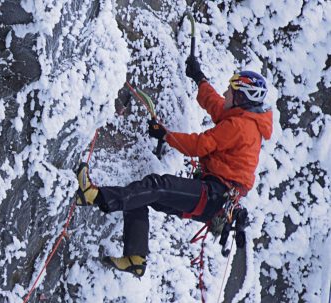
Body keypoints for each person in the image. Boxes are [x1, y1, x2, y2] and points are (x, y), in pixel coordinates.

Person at [75, 56, 273, 277]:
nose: (226, 92)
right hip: (214, 197)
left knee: (156, 186)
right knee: (142, 193)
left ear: (240, 98)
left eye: (230, 90)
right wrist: (199, 78)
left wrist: (166, 135)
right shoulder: (241, 117)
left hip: (214, 196)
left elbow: (200, 145)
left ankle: (94, 196)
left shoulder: (240, 126)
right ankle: (135, 258)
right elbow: (216, 105)